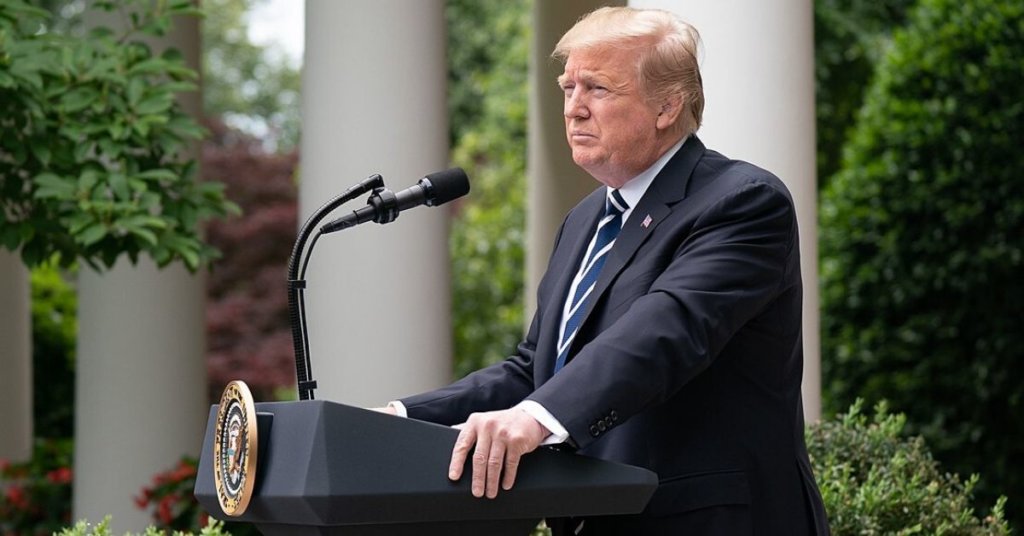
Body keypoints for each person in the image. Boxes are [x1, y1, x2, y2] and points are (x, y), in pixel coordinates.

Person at [379, 6, 830, 535]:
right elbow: (536, 371)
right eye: (567, 88)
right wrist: (401, 418)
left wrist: (532, 419)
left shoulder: (743, 202)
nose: (573, 109)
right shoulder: (586, 219)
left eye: (596, 88)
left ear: (667, 106)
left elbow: (665, 331)